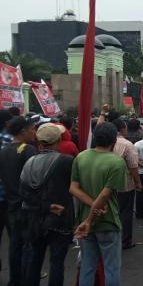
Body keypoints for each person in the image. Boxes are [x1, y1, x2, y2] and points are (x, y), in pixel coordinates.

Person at [69, 122, 127, 286]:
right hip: (108, 221)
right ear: (114, 140)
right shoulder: (117, 162)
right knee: (112, 268)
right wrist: (96, 209)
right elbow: (105, 194)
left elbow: (73, 189)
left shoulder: (81, 157)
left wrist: (89, 215)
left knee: (87, 266)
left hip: (84, 220)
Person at [20, 123, 74, 286]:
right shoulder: (66, 161)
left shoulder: (29, 162)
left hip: (34, 218)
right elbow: (76, 188)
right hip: (60, 218)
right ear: (58, 140)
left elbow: (23, 193)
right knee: (56, 262)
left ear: (39, 141)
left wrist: (45, 206)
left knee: (35, 260)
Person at [0, 116, 37, 286]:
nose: (34, 132)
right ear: (23, 131)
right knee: (28, 245)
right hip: (27, 205)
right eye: (32, 129)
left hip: (11, 205)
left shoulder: (4, 151)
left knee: (15, 245)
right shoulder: (27, 150)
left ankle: (15, 280)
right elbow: (34, 180)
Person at [111, 118, 143, 249]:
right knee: (126, 212)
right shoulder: (127, 144)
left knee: (112, 211)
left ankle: (112, 238)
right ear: (122, 129)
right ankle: (125, 240)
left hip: (107, 183)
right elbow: (133, 166)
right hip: (125, 184)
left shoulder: (104, 143)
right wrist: (138, 182)